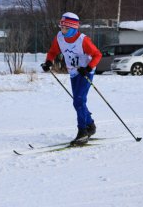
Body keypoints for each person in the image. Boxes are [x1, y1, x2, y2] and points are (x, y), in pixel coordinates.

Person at [41, 12, 102, 146]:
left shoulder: (83, 40)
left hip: (86, 72)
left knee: (79, 100)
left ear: (73, 28)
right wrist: (48, 63)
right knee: (78, 101)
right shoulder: (59, 38)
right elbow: (52, 52)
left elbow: (97, 55)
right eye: (61, 27)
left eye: (65, 28)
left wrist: (88, 67)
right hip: (74, 72)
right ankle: (90, 125)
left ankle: (83, 132)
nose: (62, 30)